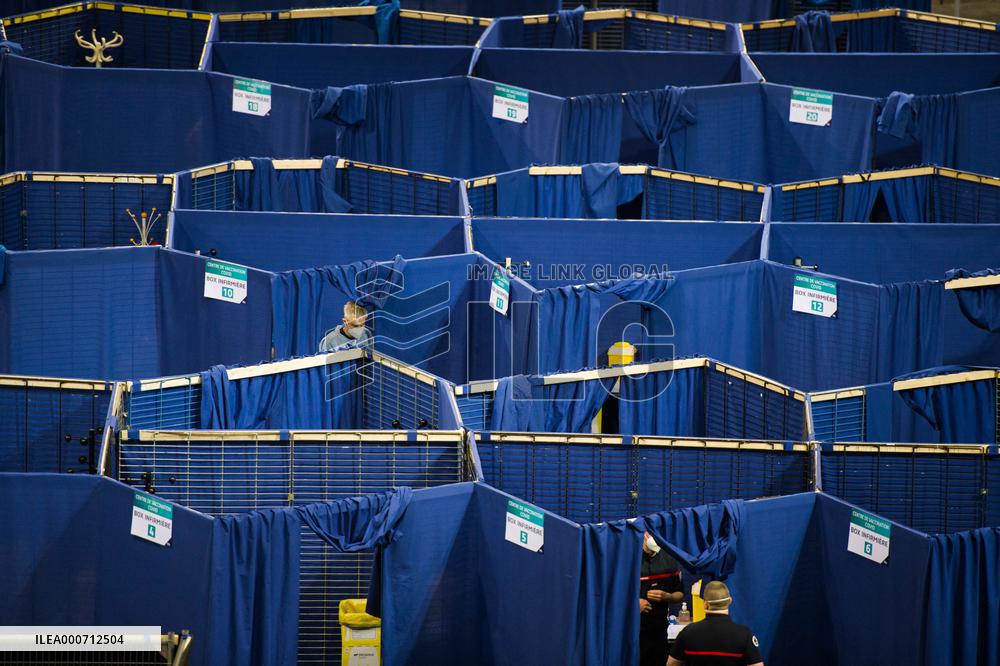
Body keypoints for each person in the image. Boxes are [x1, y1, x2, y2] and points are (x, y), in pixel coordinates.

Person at [667, 581, 764, 666]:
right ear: (730, 601)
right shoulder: (745, 635)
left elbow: (671, 664)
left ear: (705, 604)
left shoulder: (687, 632)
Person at [639, 531, 684, 666]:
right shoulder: (628, 560)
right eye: (647, 534)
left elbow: (680, 594)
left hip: (658, 629)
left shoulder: (669, 560)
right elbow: (614, 594)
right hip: (633, 630)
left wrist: (668, 596)